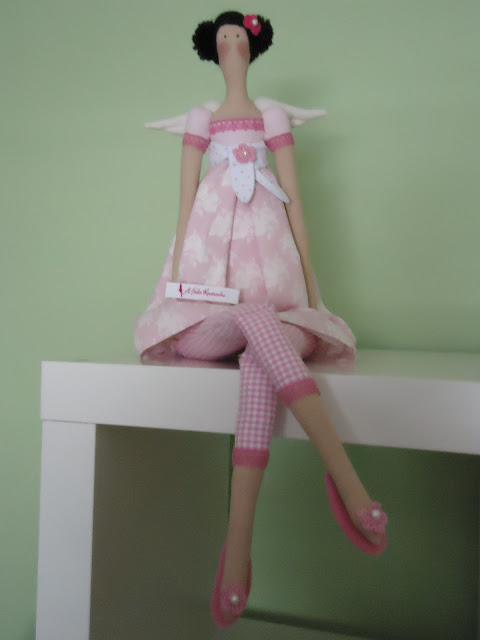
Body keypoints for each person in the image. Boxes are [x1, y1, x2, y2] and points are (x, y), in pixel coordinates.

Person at [134, 10, 388, 629]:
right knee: (250, 317)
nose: (232, 46)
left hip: (276, 303)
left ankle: (237, 546)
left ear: (253, 46)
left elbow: (294, 203)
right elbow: (185, 201)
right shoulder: (201, 118)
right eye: (223, 40)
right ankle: (345, 475)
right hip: (214, 300)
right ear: (212, 50)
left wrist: (314, 293)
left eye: (239, 38)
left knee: (262, 347)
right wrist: (176, 285)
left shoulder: (271, 114)